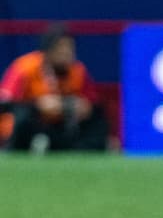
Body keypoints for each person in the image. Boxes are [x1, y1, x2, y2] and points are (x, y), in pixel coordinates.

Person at [0, 24, 108, 153]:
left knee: (97, 120)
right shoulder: (25, 67)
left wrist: (82, 106)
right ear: (48, 50)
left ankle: (81, 152)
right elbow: (5, 102)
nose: (66, 53)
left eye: (70, 49)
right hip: (31, 124)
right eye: (61, 49)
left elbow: (93, 103)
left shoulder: (77, 70)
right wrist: (38, 105)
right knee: (22, 116)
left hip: (61, 123)